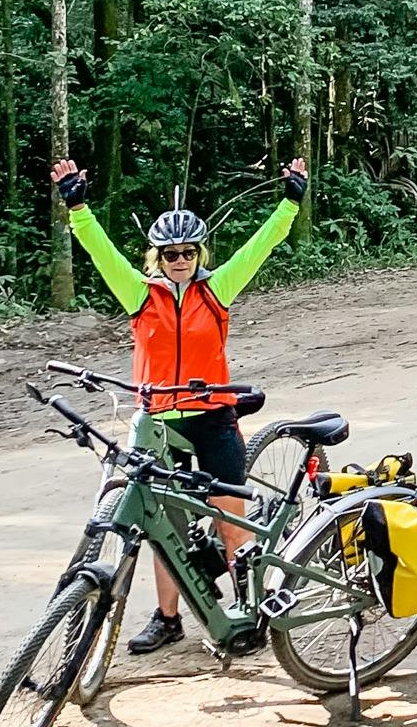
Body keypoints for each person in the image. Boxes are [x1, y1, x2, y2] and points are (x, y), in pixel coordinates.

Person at [49, 157, 306, 655]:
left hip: (212, 417)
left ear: (199, 252)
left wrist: (291, 202)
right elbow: (99, 251)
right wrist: (77, 205)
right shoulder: (140, 295)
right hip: (160, 424)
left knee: (231, 518)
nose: (180, 260)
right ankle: (168, 619)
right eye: (170, 254)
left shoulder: (218, 289)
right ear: (157, 257)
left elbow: (262, 245)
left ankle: (246, 609)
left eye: (188, 252)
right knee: (166, 528)